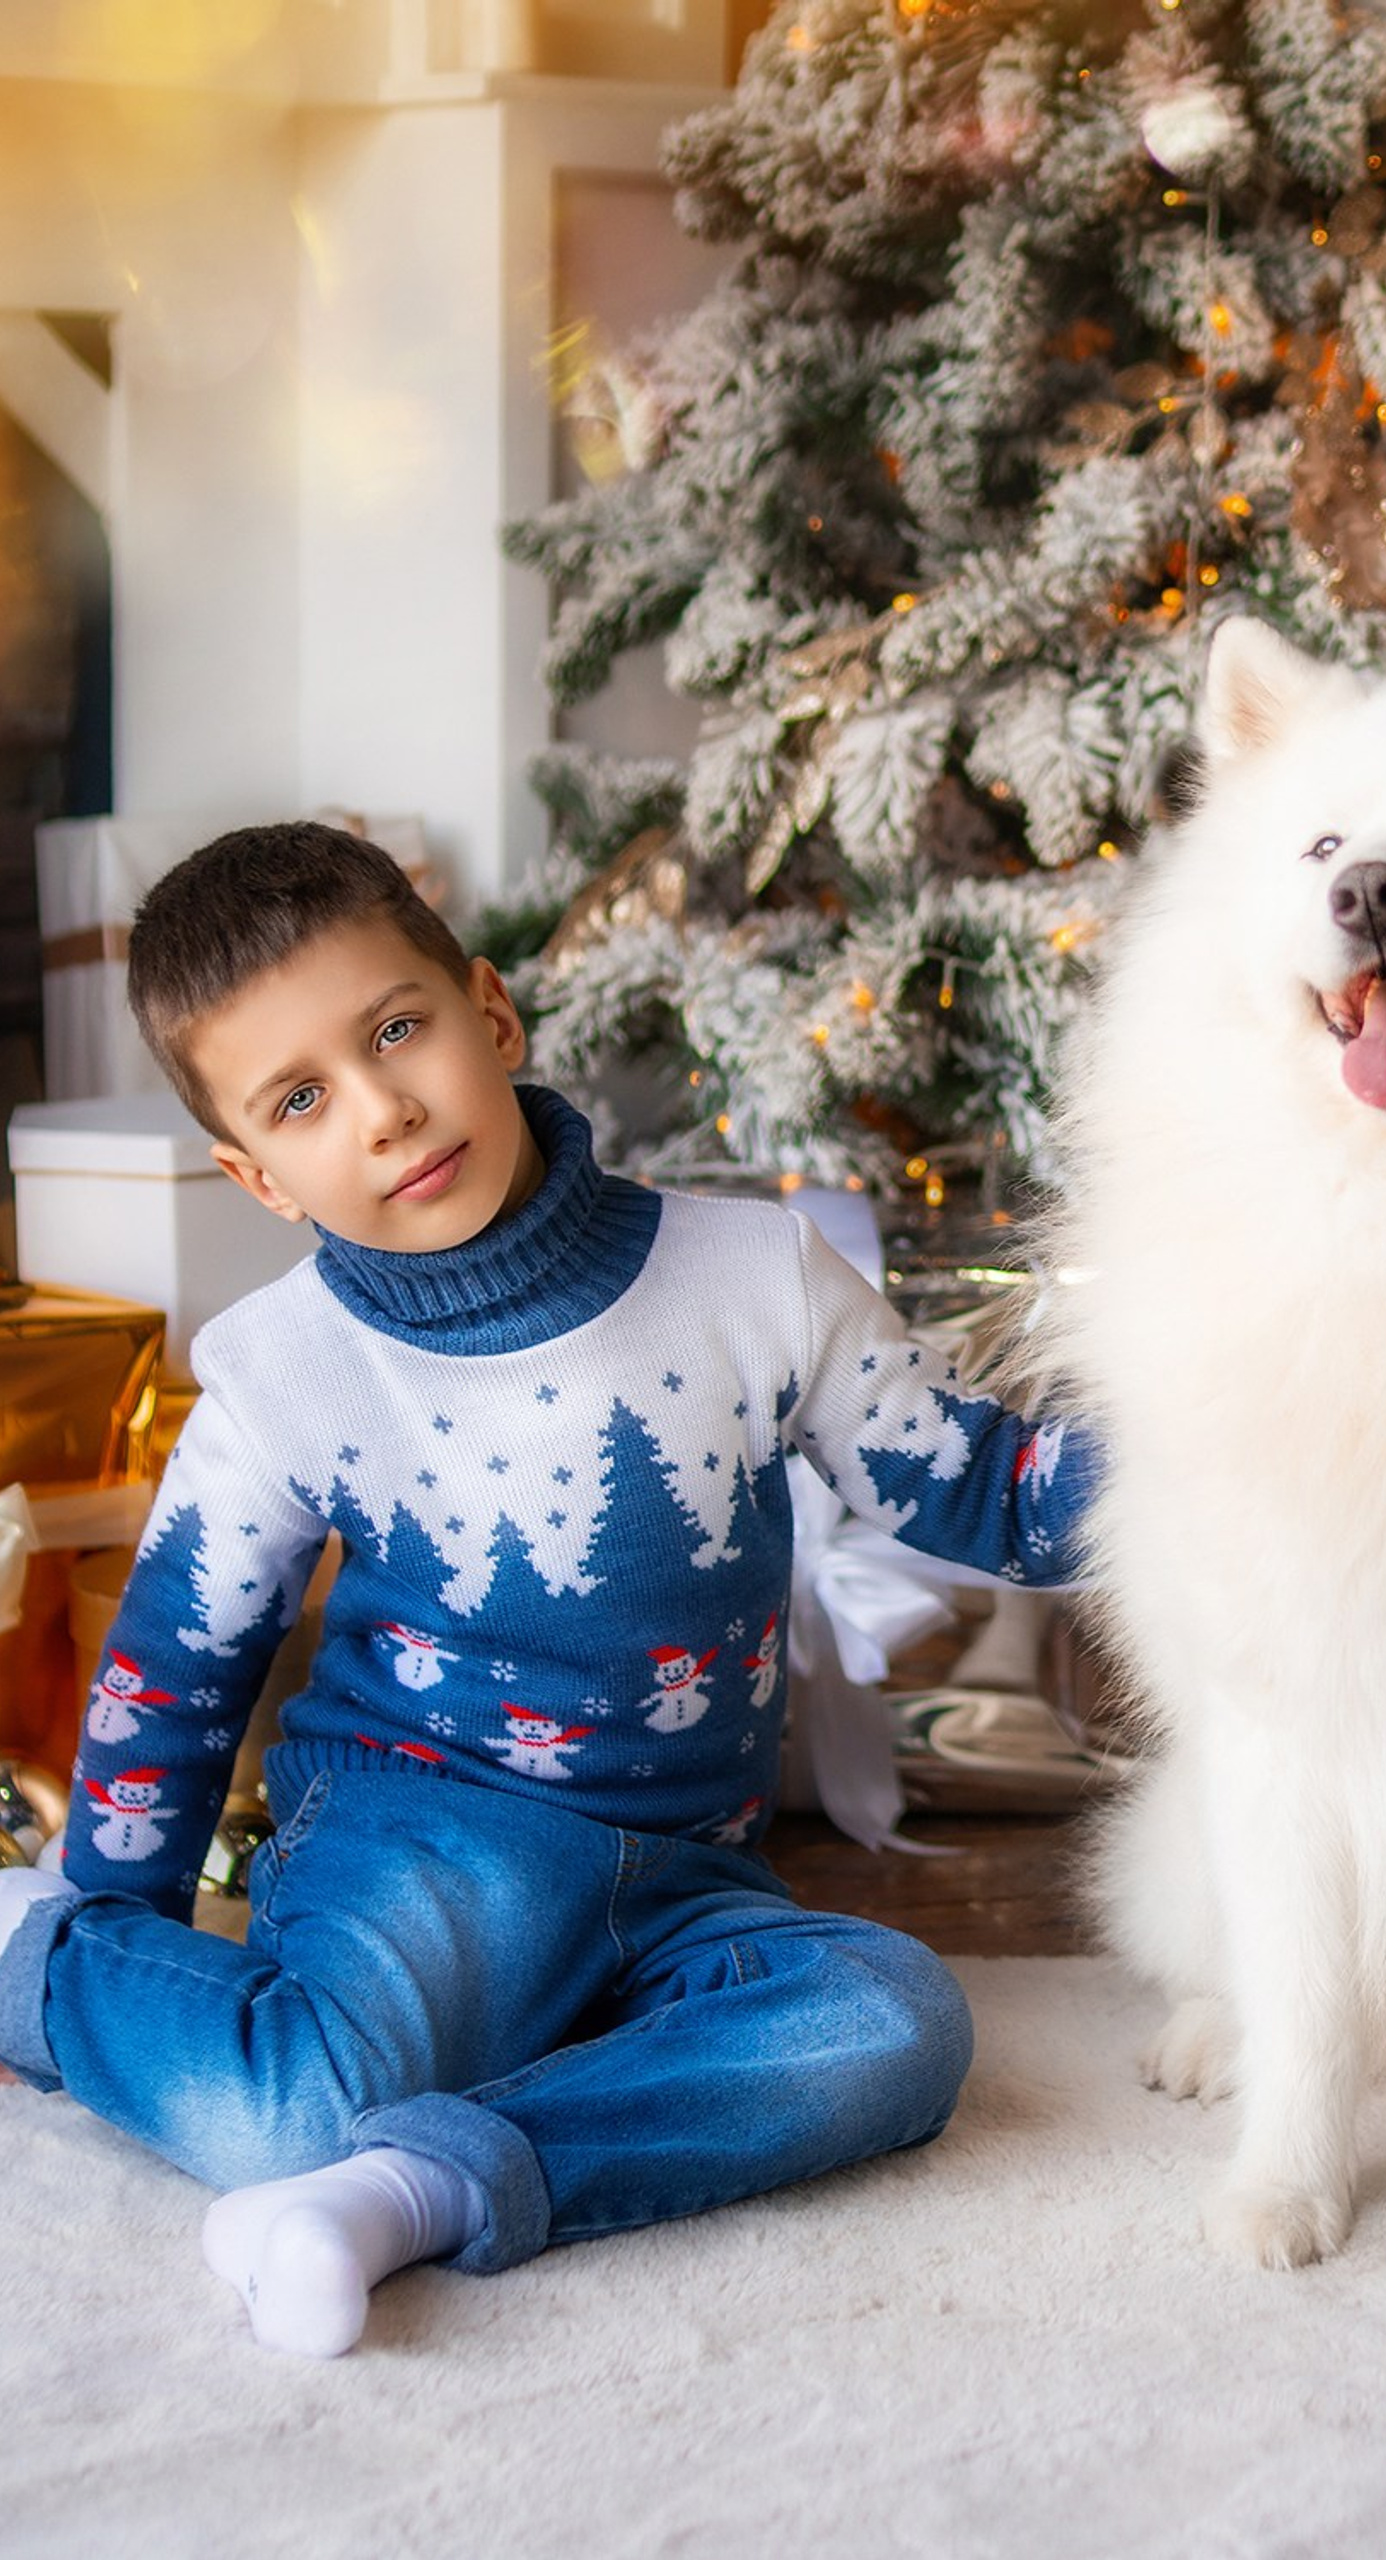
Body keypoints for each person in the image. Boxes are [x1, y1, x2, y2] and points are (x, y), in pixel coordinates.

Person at [0, 823, 1097, 2356]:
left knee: (892, 2026)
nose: (384, 1112)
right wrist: (116, 1951)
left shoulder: (751, 1276)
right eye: (303, 1099)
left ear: (491, 1016)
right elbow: (175, 1678)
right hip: (426, 1842)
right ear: (255, 1174)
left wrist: (1254, 1460)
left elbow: (984, 1491)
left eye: (399, 1031)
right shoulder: (281, 1371)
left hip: (690, 1878)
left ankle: (417, 2191)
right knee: (291, 2101)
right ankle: (26, 1956)